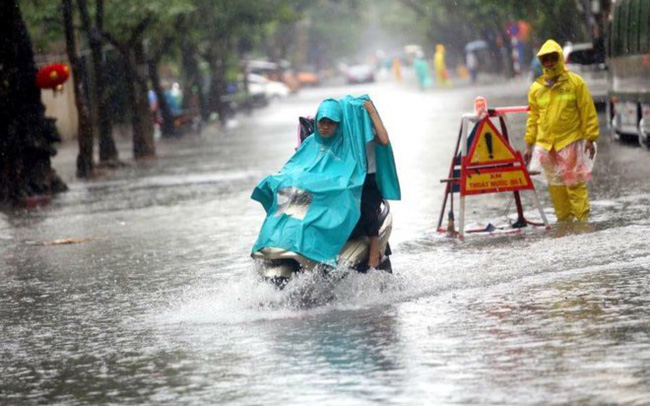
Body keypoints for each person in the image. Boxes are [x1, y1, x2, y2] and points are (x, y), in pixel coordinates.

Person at [252, 96, 400, 268]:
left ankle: (371, 250)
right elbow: (296, 167)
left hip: (354, 187)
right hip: (322, 190)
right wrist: (280, 179)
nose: (325, 126)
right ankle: (279, 241)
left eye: (331, 123)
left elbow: (381, 141)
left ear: (340, 123)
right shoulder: (312, 142)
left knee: (364, 206)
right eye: (322, 122)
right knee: (290, 209)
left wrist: (371, 111)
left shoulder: (350, 141)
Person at [524, 39, 599, 223]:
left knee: (574, 184)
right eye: (545, 59)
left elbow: (587, 110)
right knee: (556, 188)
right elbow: (533, 119)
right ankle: (564, 224)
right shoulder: (536, 89)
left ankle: (582, 223)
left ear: (559, 59)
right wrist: (529, 144)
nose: (549, 63)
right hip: (546, 146)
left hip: (570, 142)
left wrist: (590, 138)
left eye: (552, 58)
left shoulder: (575, 83)